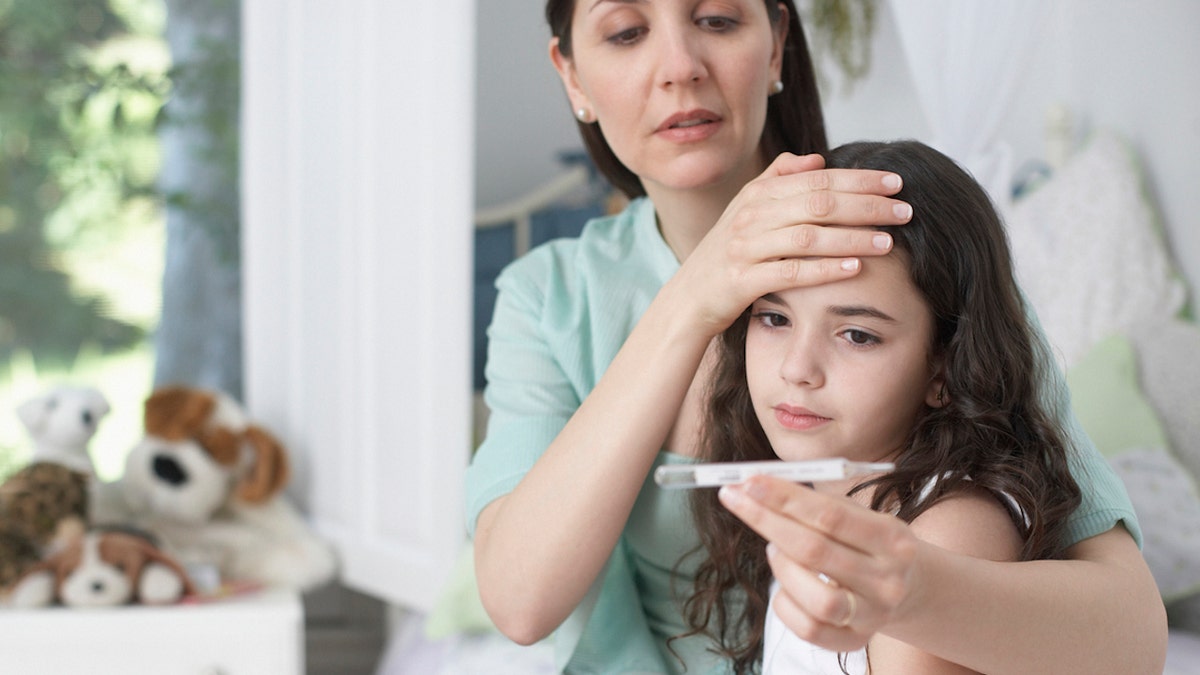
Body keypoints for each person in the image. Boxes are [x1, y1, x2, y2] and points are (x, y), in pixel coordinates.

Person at [466, 1, 1166, 673]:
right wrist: (697, 293)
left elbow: (1130, 637)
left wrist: (915, 591)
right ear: (571, 75)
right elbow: (521, 602)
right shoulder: (549, 297)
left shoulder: (915, 239)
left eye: (716, 19)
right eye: (625, 31)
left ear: (776, 44)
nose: (679, 65)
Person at [687, 139, 1083, 674]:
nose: (796, 368)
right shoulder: (813, 491)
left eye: (856, 334)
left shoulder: (946, 532)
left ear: (943, 368)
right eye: (775, 319)